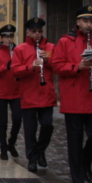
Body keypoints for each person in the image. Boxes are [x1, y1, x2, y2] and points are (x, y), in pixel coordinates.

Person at [52, 5, 92, 183]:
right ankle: (77, 177)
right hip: (74, 98)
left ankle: (85, 163)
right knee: (75, 139)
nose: (89, 24)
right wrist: (76, 67)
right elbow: (57, 66)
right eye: (85, 21)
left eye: (91, 21)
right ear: (78, 22)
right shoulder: (65, 41)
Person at [12, 18, 56, 172]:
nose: (37, 34)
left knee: (47, 125)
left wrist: (48, 60)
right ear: (28, 32)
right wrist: (31, 67)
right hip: (28, 94)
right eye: (34, 31)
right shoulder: (20, 49)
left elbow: (58, 67)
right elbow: (15, 71)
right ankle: (32, 158)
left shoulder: (50, 47)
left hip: (46, 94)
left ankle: (40, 149)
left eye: (40, 31)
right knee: (30, 129)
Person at [0, 24, 22, 160]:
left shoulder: (18, 50)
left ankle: (11, 142)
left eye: (11, 36)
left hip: (16, 90)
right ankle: (3, 148)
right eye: (6, 37)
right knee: (2, 122)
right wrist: (6, 66)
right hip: (0, 92)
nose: (9, 39)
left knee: (17, 119)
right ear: (1, 38)